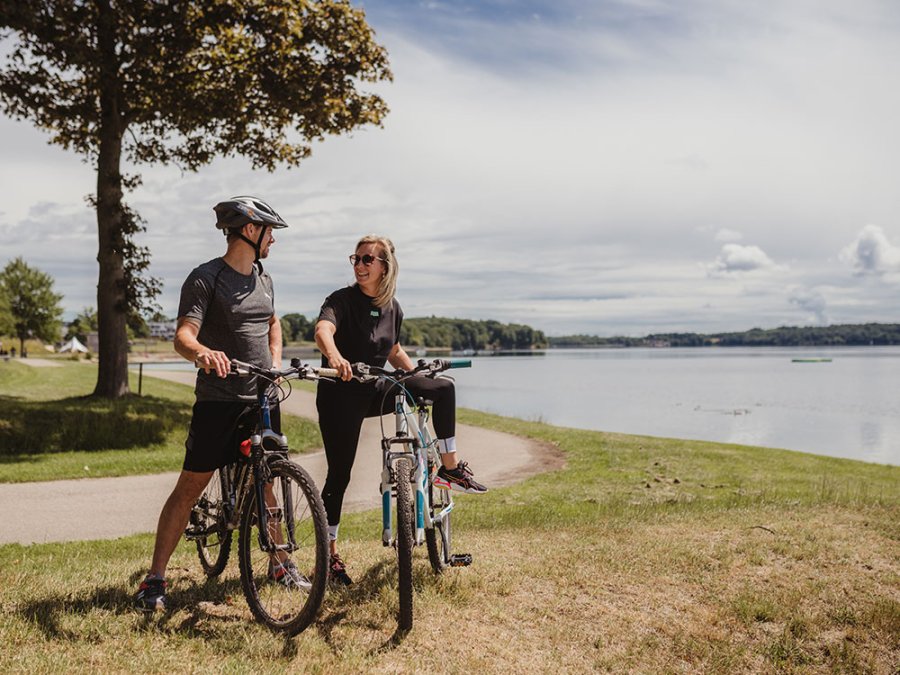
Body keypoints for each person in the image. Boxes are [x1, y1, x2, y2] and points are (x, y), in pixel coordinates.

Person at [134, 195, 292, 612]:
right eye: (270, 231)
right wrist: (202, 352)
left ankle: (280, 563)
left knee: (268, 481)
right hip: (219, 401)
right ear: (250, 231)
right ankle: (155, 580)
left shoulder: (264, 278)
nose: (273, 239)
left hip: (261, 398)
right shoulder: (206, 278)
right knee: (190, 488)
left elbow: (273, 324)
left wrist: (274, 362)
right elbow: (183, 335)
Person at [314, 235, 487, 586]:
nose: (359, 265)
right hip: (340, 394)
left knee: (443, 387)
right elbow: (323, 330)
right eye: (356, 259)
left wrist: (414, 375)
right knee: (339, 476)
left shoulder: (393, 307)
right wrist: (334, 357)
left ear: (384, 267)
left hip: (377, 386)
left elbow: (392, 349)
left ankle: (449, 469)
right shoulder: (341, 300)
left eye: (367, 260)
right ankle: (329, 557)